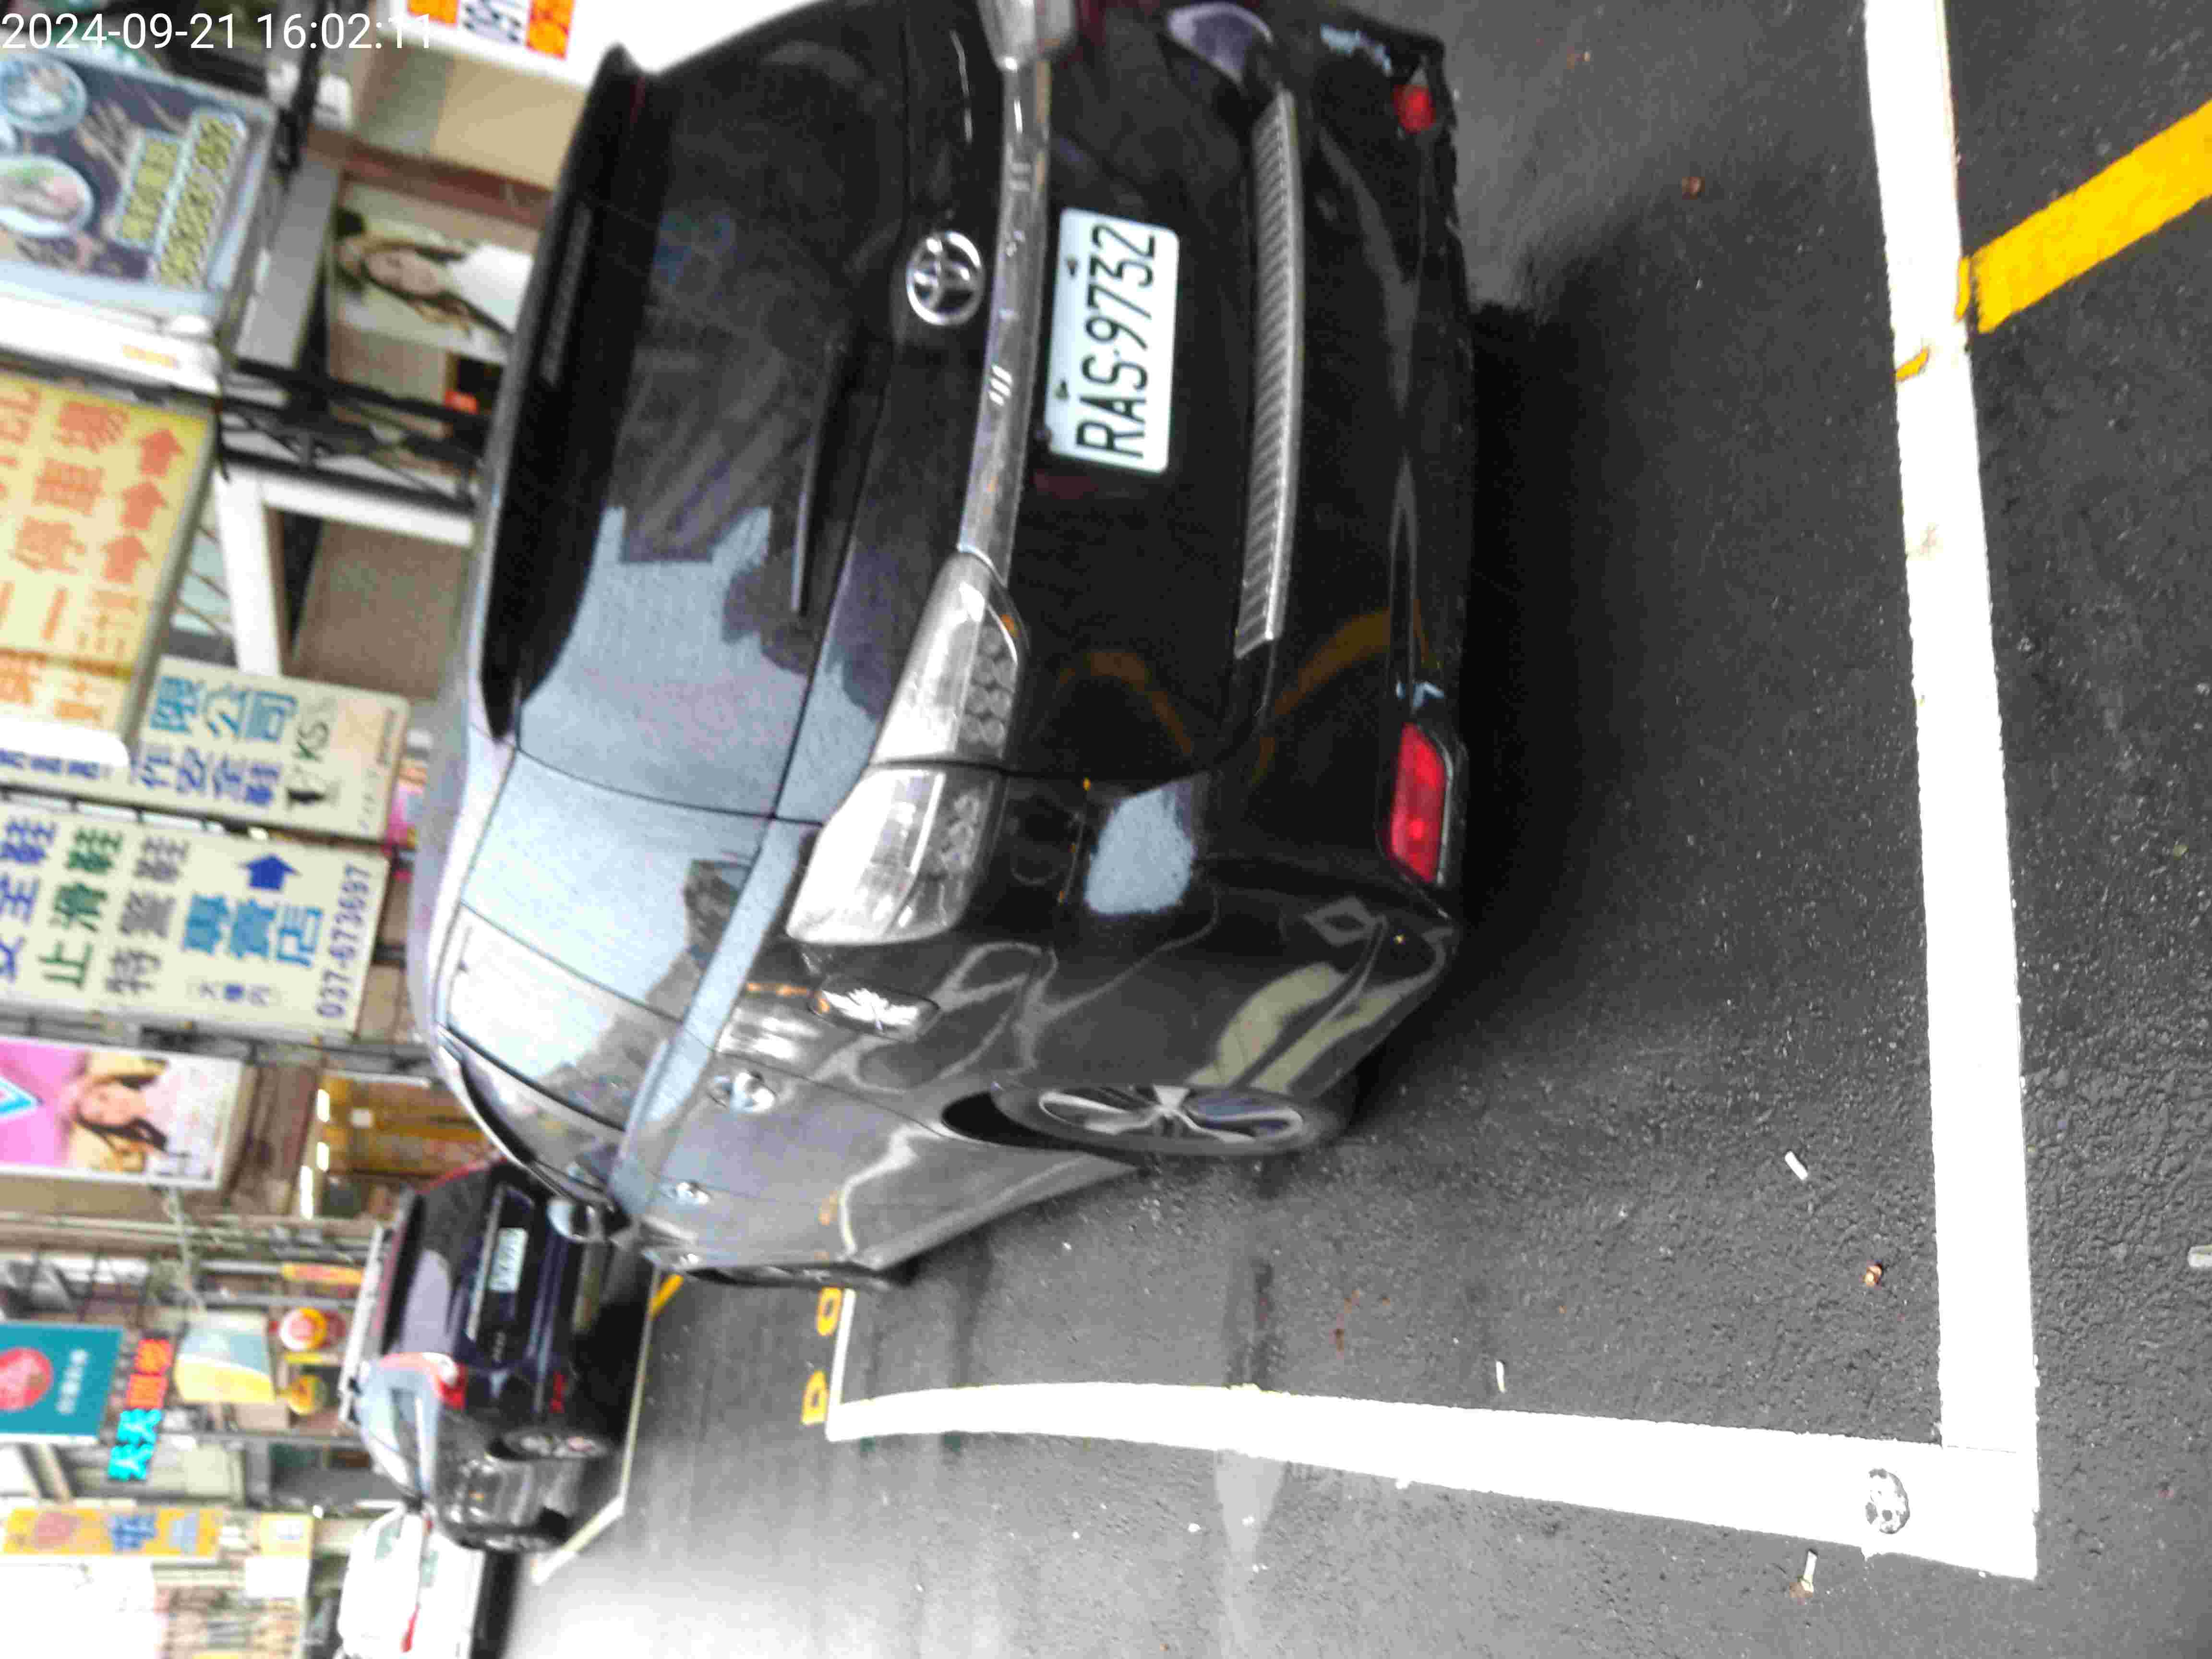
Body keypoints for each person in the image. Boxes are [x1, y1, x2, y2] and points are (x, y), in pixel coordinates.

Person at [329, 209, 529, 351]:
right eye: (397, 283)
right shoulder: (479, 335)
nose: (410, 277)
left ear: (408, 251)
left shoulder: (486, 255)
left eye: (397, 263)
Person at [59, 1052, 169, 1176]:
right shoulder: (159, 1159)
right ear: (108, 1127)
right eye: (101, 1116)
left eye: (104, 1097)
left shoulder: (173, 1074)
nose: (113, 1108)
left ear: (113, 1083)